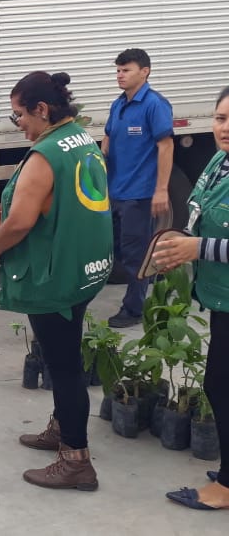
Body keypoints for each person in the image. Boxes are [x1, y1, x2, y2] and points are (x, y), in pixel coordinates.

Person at [0, 71, 112, 491]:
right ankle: (61, 426)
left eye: (19, 114)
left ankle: (76, 459)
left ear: (42, 109)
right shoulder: (80, 139)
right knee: (63, 355)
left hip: (55, 275)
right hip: (82, 269)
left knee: (64, 366)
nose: (17, 122)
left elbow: (20, 221)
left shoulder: (46, 154)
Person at [154, 86, 229, 510]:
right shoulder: (219, 161)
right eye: (220, 118)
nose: (225, 127)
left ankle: (226, 489)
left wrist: (197, 248)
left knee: (221, 385)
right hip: (221, 295)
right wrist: (177, 245)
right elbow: (201, 215)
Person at [102, 48, 173, 328]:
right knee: (117, 248)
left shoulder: (154, 105)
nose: (120, 75)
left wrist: (162, 190)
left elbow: (165, 146)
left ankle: (133, 309)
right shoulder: (118, 104)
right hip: (115, 191)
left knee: (134, 254)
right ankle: (157, 275)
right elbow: (107, 137)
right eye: (118, 70)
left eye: (126, 70)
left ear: (145, 72)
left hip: (139, 194)